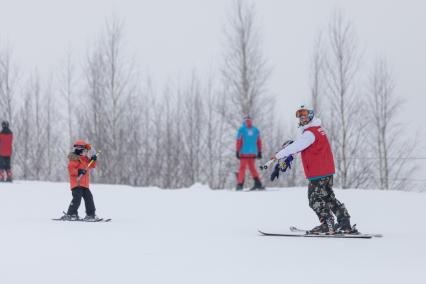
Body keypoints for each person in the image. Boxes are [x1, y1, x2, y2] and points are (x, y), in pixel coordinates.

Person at [272, 106, 357, 234]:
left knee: (314, 199)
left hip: (318, 173)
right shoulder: (317, 130)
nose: (302, 119)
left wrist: (279, 155)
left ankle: (327, 224)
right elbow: (303, 146)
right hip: (326, 171)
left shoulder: (310, 133)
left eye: (305, 116)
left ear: (311, 116)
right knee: (328, 198)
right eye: (300, 117)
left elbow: (297, 146)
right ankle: (345, 223)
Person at [60, 140, 100, 221]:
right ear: (79, 150)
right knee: (77, 199)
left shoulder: (85, 159)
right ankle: (71, 214)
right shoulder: (74, 159)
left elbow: (92, 165)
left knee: (89, 198)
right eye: (84, 151)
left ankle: (90, 214)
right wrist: (79, 171)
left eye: (86, 151)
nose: (85, 152)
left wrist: (93, 159)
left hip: (85, 184)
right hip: (77, 184)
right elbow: (71, 170)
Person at [236, 116, 264, 190]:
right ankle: (258, 183)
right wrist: (260, 151)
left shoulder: (241, 130)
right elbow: (259, 141)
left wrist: (237, 151)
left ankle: (240, 185)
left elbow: (239, 141)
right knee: (252, 168)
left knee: (242, 168)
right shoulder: (256, 130)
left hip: (244, 153)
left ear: (244, 121)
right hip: (253, 152)